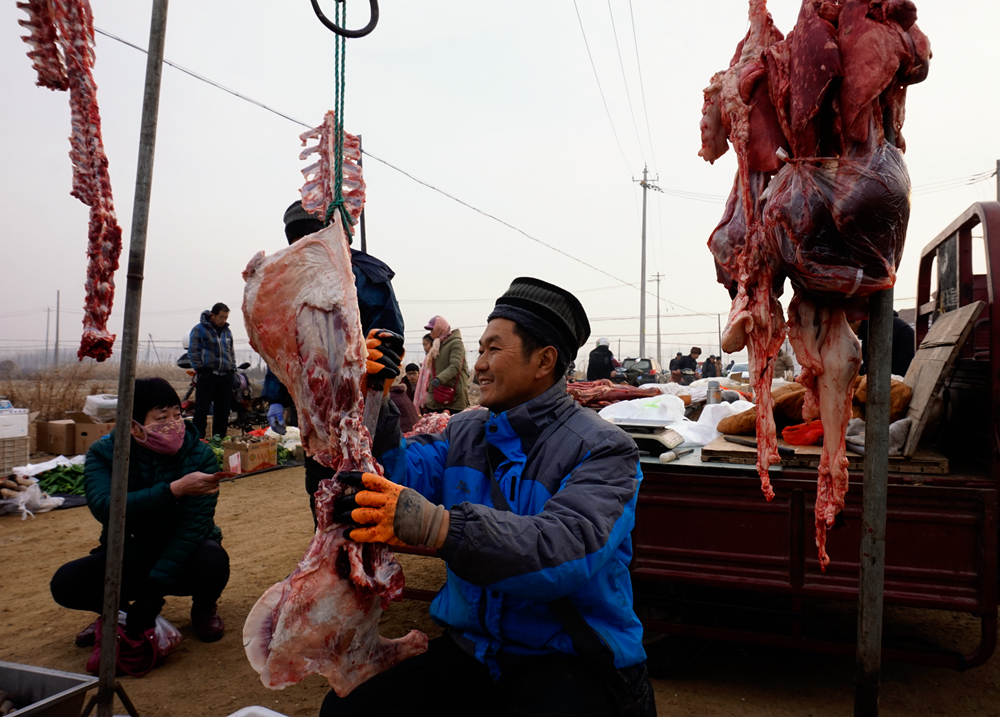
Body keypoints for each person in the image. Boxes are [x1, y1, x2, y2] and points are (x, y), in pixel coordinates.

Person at [322, 277, 655, 717]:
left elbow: (563, 552)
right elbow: (396, 477)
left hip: (565, 657)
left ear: (544, 361)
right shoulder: (466, 430)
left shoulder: (605, 449)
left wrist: (440, 527)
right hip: (473, 650)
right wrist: (376, 404)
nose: (478, 365)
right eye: (479, 349)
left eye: (493, 349)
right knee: (349, 708)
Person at [50, 378, 229, 653]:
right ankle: (115, 614)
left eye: (176, 414)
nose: (173, 423)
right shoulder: (106, 454)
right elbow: (105, 506)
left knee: (212, 558)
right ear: (134, 425)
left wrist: (152, 597)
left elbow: (192, 527)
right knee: (66, 583)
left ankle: (204, 608)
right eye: (161, 417)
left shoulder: (200, 455)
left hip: (182, 553)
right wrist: (174, 490)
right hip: (130, 550)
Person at [262, 200, 404, 527]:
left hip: (361, 401)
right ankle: (326, 548)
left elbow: (389, 335)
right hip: (316, 408)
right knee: (322, 483)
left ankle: (363, 559)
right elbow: (282, 347)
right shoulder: (289, 281)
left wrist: (369, 375)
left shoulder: (364, 274)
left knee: (364, 481)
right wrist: (276, 397)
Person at [189, 303, 236, 438]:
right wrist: (200, 369)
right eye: (221, 317)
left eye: (226, 318)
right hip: (208, 376)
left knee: (223, 411)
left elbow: (230, 351)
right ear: (212, 315)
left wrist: (232, 369)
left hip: (225, 377)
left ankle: (219, 441)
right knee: (201, 410)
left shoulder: (227, 331)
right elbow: (193, 351)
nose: (223, 321)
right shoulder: (199, 330)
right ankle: (199, 441)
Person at [416, 315, 470, 414]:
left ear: (439, 329)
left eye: (432, 330)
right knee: (433, 426)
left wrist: (439, 379)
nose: (431, 333)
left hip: (453, 396)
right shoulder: (437, 344)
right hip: (436, 395)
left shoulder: (455, 343)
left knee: (453, 426)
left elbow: (455, 366)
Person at [851, 311, 916, 377]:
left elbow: (874, 364)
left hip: (905, 372)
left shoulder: (878, 328)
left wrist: (853, 375)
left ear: (857, 320)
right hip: (905, 368)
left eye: (849, 327)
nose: (851, 332)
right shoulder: (875, 326)